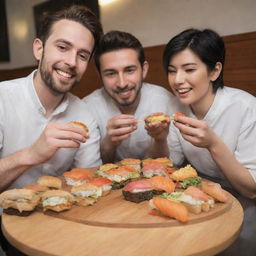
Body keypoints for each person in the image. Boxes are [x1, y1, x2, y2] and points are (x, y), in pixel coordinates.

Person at [0, 5, 103, 255]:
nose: (71, 62)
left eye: (82, 55)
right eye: (63, 47)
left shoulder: (85, 115)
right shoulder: (2, 98)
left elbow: (90, 184)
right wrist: (31, 155)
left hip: (60, 226)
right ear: (39, 48)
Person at [158, 28, 256, 255]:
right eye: (172, 71)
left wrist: (213, 143)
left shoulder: (245, 108)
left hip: (247, 206)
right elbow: (170, 165)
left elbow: (251, 189)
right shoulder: (175, 106)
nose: (178, 80)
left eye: (189, 69)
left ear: (214, 71)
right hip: (203, 197)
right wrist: (159, 138)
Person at [82, 30, 184, 163]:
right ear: (100, 74)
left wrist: (160, 140)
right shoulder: (87, 108)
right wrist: (109, 143)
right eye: (111, 73)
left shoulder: (166, 101)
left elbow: (174, 164)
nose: (122, 83)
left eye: (129, 70)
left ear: (144, 70)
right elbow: (89, 168)